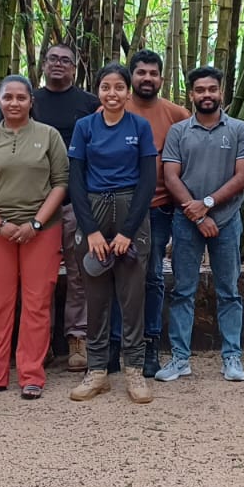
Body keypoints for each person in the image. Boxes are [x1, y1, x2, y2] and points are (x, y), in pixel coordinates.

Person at [0, 75, 69, 399]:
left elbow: (61, 183)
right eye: (8, 97)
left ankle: (31, 374)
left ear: (30, 101)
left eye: (21, 97)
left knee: (37, 303)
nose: (14, 103)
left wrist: (35, 224)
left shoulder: (48, 135)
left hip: (42, 230)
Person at [66, 64, 158, 404]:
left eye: (119, 87)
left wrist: (128, 233)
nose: (112, 93)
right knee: (96, 296)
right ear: (98, 91)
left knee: (132, 296)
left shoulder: (140, 126)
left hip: (130, 207)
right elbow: (75, 178)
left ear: (128, 92)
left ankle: (133, 369)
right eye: (106, 87)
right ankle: (98, 370)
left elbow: (148, 180)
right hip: (93, 208)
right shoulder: (84, 126)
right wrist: (90, 230)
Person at [160, 66, 244, 382]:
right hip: (186, 221)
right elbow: (171, 175)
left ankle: (232, 357)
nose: (207, 95)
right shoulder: (179, 131)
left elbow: (242, 176)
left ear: (221, 92)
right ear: (191, 94)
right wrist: (197, 215)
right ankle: (180, 358)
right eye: (200, 90)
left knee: (229, 290)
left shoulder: (239, 129)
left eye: (212, 89)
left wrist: (209, 205)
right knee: (183, 290)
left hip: (227, 221)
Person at [31, 42, 100, 371]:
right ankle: (39, 342)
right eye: (52, 58)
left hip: (76, 203)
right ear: (43, 64)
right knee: (39, 277)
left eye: (66, 60)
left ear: (75, 67)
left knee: (78, 275)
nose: (58, 64)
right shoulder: (30, 101)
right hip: (35, 206)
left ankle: (78, 339)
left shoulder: (90, 103)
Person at [123, 49, 191, 378]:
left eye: (153, 73)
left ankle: (149, 343)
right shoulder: (113, 108)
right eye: (141, 72)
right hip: (118, 207)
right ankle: (117, 344)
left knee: (151, 277)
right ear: (131, 77)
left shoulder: (177, 114)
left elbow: (191, 156)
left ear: (161, 79)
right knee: (117, 275)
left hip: (159, 209)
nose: (147, 78)